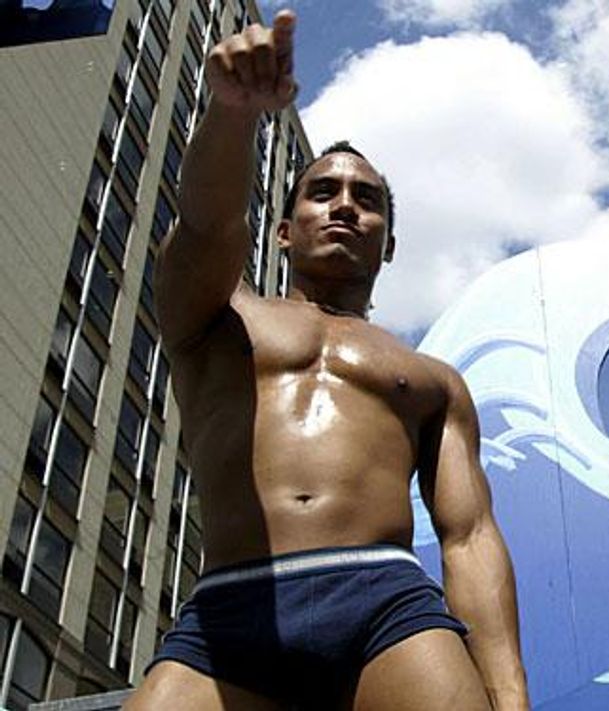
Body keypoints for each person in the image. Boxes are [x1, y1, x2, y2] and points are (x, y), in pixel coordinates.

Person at [126, 11, 528, 710]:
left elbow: (469, 537)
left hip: (385, 606)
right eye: (323, 192)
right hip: (231, 608)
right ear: (284, 232)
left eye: (366, 201)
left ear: (388, 244)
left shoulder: (432, 380)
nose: (345, 206)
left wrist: (510, 697)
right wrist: (233, 113)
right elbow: (205, 225)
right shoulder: (219, 312)